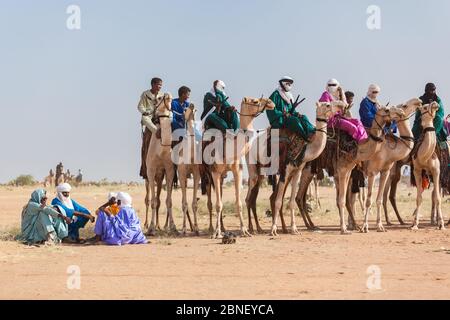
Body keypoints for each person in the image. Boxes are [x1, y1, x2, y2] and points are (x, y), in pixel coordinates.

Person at [266, 76, 315, 141]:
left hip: (288, 117)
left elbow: (291, 111)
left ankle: (312, 132)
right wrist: (283, 114)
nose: (289, 85)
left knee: (304, 117)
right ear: (282, 83)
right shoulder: (275, 95)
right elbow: (270, 110)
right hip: (279, 119)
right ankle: (305, 137)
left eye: (290, 84)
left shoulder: (288, 96)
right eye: (287, 84)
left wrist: (296, 113)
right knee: (295, 121)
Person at [319, 79, 367, 143]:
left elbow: (345, 106)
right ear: (327, 86)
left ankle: (363, 139)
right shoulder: (325, 95)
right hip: (331, 120)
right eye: (330, 85)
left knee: (357, 122)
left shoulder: (338, 95)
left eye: (334, 85)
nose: (332, 86)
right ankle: (356, 143)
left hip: (340, 117)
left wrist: (341, 92)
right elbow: (327, 108)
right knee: (352, 127)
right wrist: (337, 104)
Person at [137, 77, 168, 179]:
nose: (160, 87)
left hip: (160, 116)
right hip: (149, 116)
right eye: (158, 84)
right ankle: (156, 131)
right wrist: (144, 111)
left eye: (161, 85)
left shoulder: (163, 95)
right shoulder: (145, 94)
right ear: (153, 84)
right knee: (144, 118)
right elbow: (140, 106)